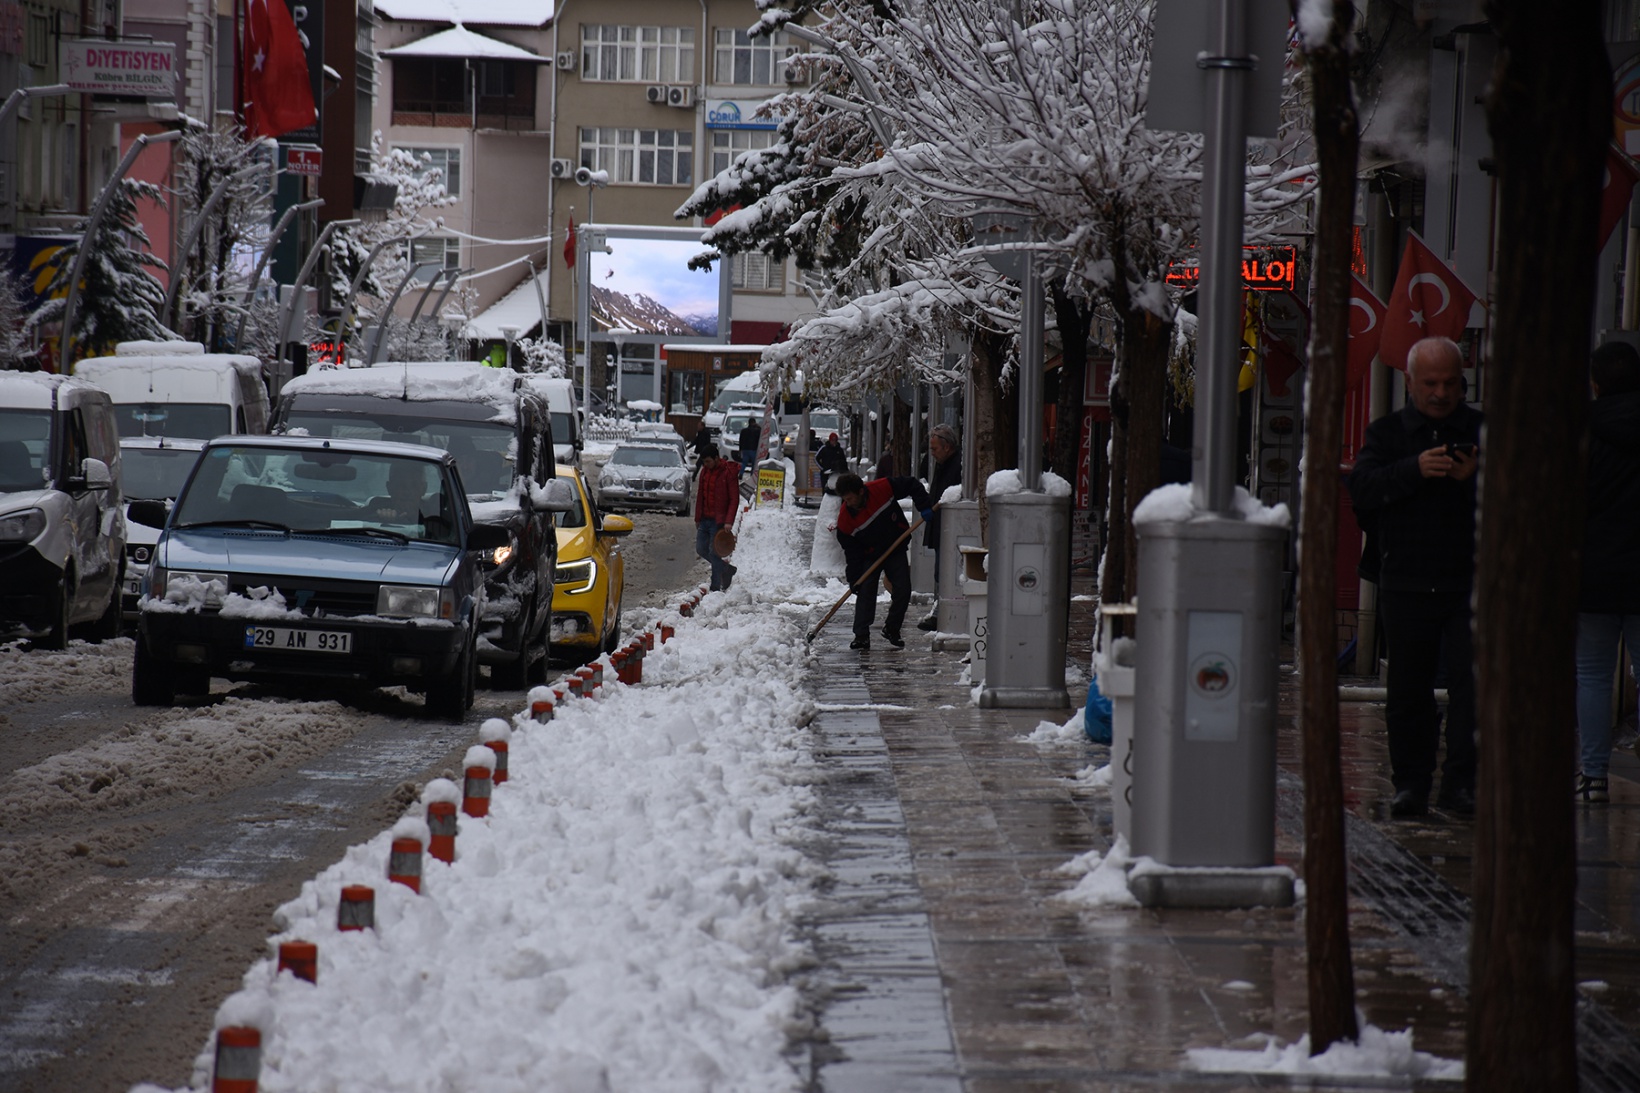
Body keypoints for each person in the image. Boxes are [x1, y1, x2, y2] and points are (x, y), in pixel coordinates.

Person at [1348, 336, 1482, 819]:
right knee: (1408, 689)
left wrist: (1475, 480)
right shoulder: (1388, 435)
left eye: (1450, 382)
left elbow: (1517, 499)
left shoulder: (1480, 432)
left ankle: (1462, 784)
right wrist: (1414, 470)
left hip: (1469, 583)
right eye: (1431, 383)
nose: (1441, 393)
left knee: (1473, 690)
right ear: (1411, 382)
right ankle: (1411, 784)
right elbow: (1362, 489)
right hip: (1405, 579)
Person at [1575, 341, 1640, 803]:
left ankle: (1594, 775)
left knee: (1593, 675)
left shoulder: (1583, 433)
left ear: (1595, 383)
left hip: (1594, 572)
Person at [834, 471, 934, 651]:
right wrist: (854, 579)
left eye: (849, 499)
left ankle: (892, 629)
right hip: (869, 555)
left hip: (894, 548)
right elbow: (852, 553)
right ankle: (861, 635)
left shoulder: (882, 488)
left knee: (903, 589)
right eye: (844, 499)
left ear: (861, 492)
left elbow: (912, 484)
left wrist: (924, 505)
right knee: (866, 591)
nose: (846, 503)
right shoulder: (845, 521)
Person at [916, 423, 962, 631]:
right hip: (940, 526)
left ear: (947, 447)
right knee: (939, 571)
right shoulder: (943, 464)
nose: (931, 453)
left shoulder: (959, 465)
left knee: (945, 571)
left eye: (934, 449)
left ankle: (941, 610)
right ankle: (938, 610)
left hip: (950, 529)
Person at [694, 449, 740, 592]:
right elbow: (700, 495)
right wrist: (697, 517)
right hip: (704, 518)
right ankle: (726, 569)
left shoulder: (728, 473)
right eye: (704, 462)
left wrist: (728, 521)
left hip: (718, 519)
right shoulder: (705, 472)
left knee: (714, 552)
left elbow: (734, 499)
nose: (706, 465)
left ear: (716, 458)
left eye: (708, 461)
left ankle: (715, 587)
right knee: (701, 549)